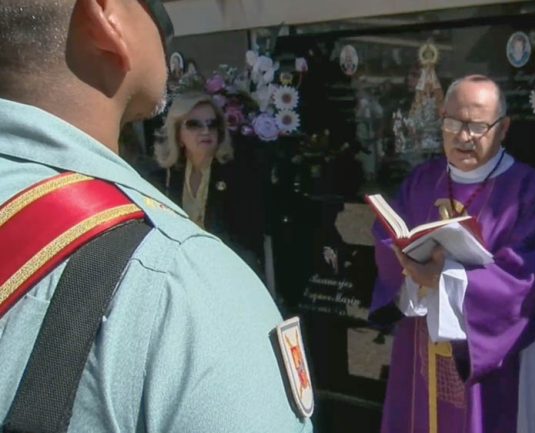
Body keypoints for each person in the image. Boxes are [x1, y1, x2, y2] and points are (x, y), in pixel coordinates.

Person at [0, 1, 311, 432]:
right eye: (158, 8)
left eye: (212, 124)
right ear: (105, 17)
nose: (205, 132)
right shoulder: (187, 285)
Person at [370, 74, 535, 433]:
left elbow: (524, 279)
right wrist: (408, 268)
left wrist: (444, 279)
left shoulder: (530, 191)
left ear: (503, 128)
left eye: (477, 126)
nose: (462, 137)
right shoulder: (421, 180)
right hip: (420, 345)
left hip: (494, 356)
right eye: (452, 123)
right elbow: (387, 238)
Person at [153, 92, 263, 271]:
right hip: (182, 268)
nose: (206, 131)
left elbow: (246, 237)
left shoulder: (237, 173)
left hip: (230, 267)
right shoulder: (166, 176)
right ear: (178, 134)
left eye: (212, 125)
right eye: (194, 124)